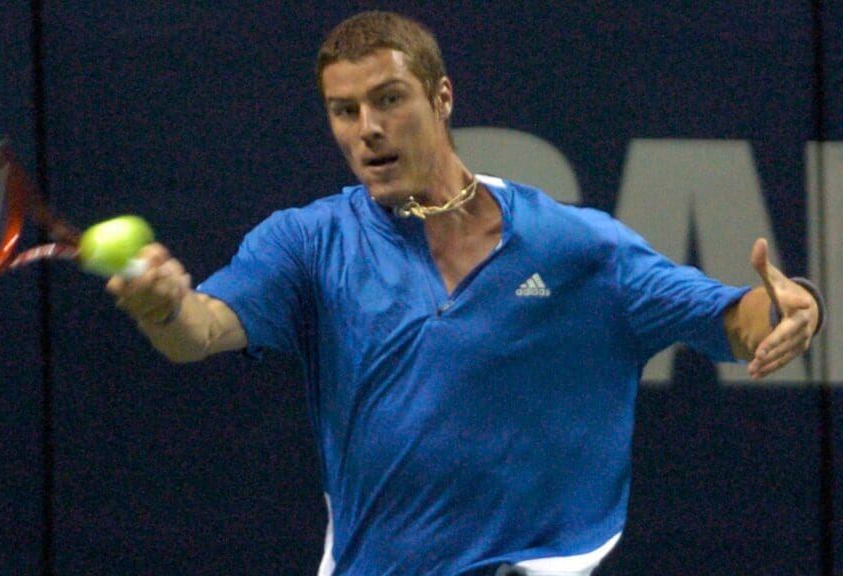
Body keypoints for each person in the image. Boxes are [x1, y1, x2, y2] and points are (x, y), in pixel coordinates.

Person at [106, 11, 824, 576]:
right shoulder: (305, 243)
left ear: (442, 97)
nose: (369, 131)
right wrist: (163, 306)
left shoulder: (577, 247)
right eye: (344, 111)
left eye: (389, 100)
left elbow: (730, 317)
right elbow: (199, 331)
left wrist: (797, 308)